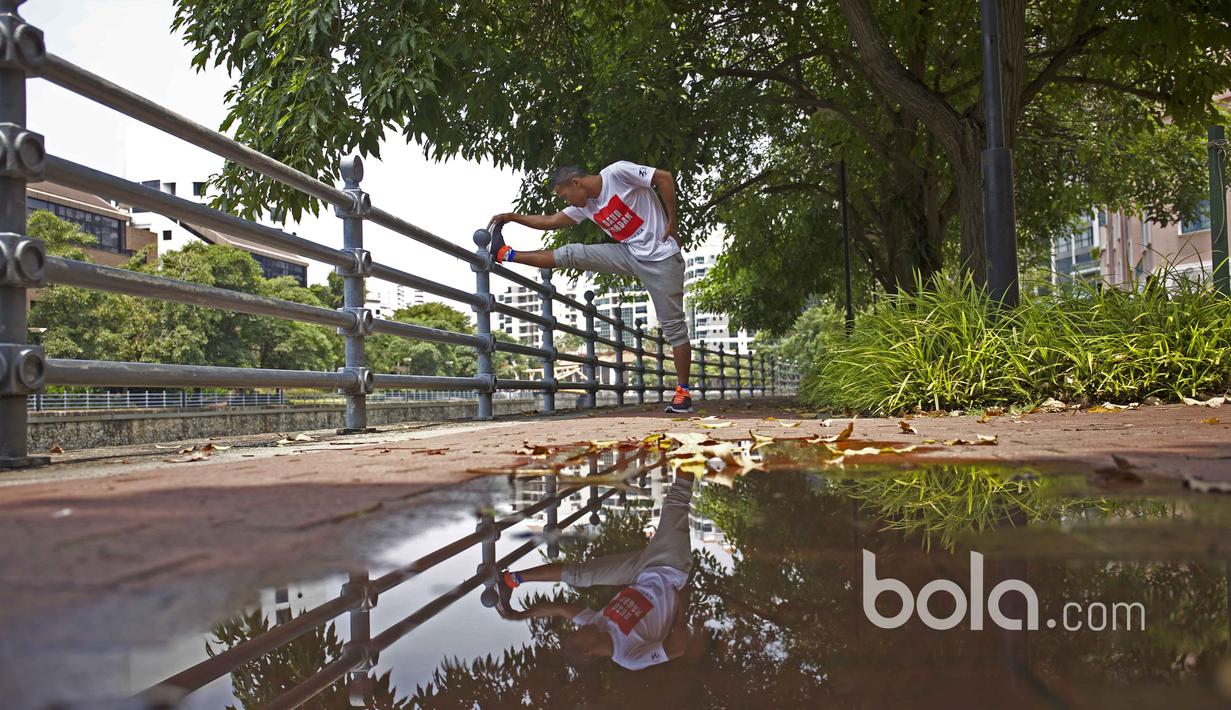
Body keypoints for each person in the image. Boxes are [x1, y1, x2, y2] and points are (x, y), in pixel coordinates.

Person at [488, 162, 693, 414]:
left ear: (576, 183)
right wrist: (512, 217)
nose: (569, 202)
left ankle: (683, 392)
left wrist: (672, 221)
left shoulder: (617, 173)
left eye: (565, 195)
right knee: (572, 253)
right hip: (629, 254)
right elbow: (552, 220)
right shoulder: (586, 206)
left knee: (673, 325)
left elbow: (664, 176)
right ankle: (505, 254)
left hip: (662, 259)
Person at [495, 471, 700, 670]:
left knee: (580, 576)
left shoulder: (596, 624)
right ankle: (689, 450)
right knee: (676, 501)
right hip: (669, 570)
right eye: (577, 634)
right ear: (588, 650)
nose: (580, 627)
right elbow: (676, 649)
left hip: (638, 573)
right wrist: (682, 608)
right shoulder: (629, 656)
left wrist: (522, 615)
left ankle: (511, 579)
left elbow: (558, 608)